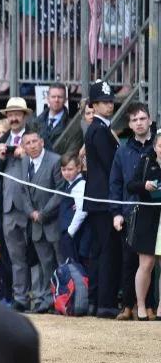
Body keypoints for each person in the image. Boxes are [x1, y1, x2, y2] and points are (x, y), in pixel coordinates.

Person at [108, 102, 154, 319]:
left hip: (155, 212)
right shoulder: (123, 150)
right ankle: (127, 306)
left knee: (152, 261)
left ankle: (150, 307)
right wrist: (116, 212)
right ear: (129, 124)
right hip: (129, 212)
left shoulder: (158, 145)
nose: (139, 123)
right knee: (128, 261)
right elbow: (115, 184)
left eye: (142, 118)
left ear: (150, 120)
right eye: (134, 120)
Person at [84, 80, 122, 318]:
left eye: (110, 102)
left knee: (100, 251)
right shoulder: (99, 130)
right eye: (104, 102)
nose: (109, 106)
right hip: (103, 198)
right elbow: (111, 167)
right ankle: (105, 302)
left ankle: (96, 300)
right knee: (107, 251)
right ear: (94, 105)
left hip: (98, 198)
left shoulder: (101, 128)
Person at [20, 130, 63, 313]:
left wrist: (43, 213)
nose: (32, 145)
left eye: (35, 141)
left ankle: (63, 300)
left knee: (61, 263)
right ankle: (47, 300)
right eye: (28, 142)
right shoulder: (23, 162)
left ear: (42, 142)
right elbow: (23, 192)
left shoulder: (55, 160)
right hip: (36, 225)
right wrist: (31, 212)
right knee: (45, 265)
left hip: (54, 222)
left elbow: (61, 191)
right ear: (23, 146)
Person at [127, 134, 161, 320]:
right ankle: (140, 306)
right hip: (147, 217)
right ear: (155, 147)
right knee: (146, 264)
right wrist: (145, 185)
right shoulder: (146, 161)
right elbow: (130, 185)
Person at [59, 153, 90, 264]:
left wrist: (70, 232)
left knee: (75, 266)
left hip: (75, 235)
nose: (66, 173)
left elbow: (82, 211)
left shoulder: (80, 185)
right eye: (63, 169)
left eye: (70, 169)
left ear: (79, 168)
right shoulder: (68, 184)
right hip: (70, 233)